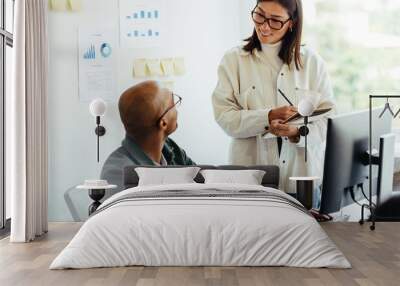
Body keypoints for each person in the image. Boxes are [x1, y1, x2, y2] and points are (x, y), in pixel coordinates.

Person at [212, 0, 336, 197]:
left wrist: (297, 132)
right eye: (260, 15)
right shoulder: (233, 60)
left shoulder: (312, 63)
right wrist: (267, 117)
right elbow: (225, 118)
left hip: (301, 181)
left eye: (275, 20)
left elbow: (327, 123)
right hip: (249, 182)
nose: (264, 26)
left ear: (292, 22)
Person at [101, 81, 195, 193]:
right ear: (163, 123)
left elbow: (202, 181)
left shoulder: (170, 149)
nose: (177, 109)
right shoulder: (118, 174)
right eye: (173, 103)